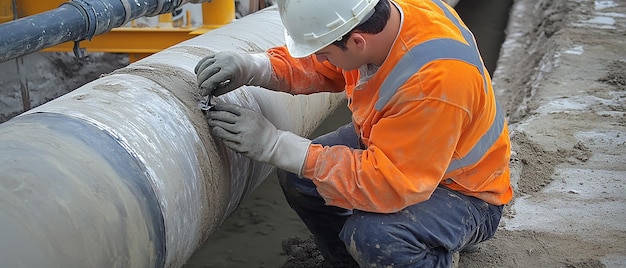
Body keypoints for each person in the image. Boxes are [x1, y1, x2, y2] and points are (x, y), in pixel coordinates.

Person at [195, 0, 512, 267]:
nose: (318, 57)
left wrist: (275, 144)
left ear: (358, 42)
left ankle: (432, 252)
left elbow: (391, 184)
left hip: (465, 192)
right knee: (299, 179)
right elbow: (329, 63)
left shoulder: (434, 84)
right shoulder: (379, 18)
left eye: (323, 51)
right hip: (402, 146)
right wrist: (257, 67)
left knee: (373, 238)